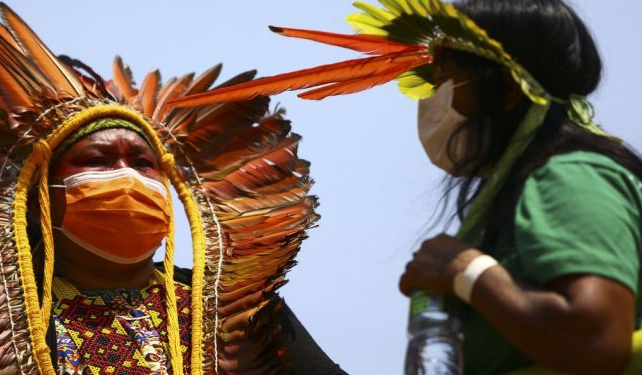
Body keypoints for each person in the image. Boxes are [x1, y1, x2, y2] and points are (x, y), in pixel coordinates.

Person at [171, 0, 642, 374]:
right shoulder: (525, 189)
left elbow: (597, 341)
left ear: (507, 91)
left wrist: (468, 272)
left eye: (445, 80)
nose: (432, 100)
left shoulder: (568, 174)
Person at [0, 3, 346, 374]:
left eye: (145, 164)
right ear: (36, 198)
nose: (127, 176)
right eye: (98, 161)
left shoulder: (245, 318)